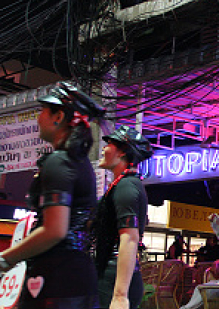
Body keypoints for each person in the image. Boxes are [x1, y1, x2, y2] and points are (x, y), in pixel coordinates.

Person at [0, 82, 104, 308]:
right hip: (77, 278)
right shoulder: (80, 162)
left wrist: (5, 259)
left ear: (58, 116)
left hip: (56, 281)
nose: (39, 118)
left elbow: (54, 230)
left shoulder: (59, 161)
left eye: (43, 111)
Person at [93, 125, 154, 309]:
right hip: (111, 275)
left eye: (109, 143)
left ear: (122, 152)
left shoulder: (126, 186)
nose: (104, 148)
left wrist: (120, 296)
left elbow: (129, 239)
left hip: (115, 280)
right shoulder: (124, 185)